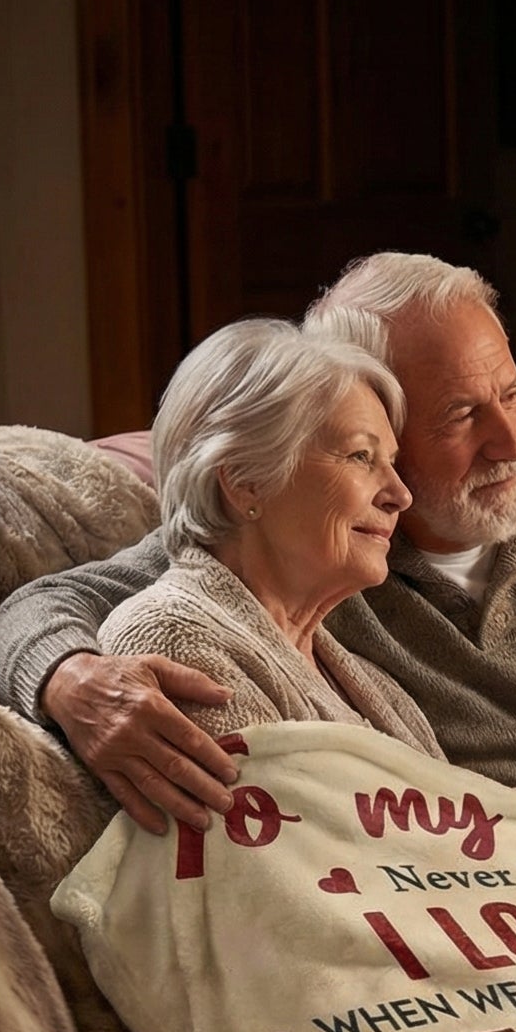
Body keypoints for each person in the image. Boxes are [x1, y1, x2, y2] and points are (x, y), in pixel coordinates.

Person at [0, 255, 516, 832]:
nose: (512, 442)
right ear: (371, 421)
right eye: (458, 415)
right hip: (505, 911)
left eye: (511, 395)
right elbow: (54, 602)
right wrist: (73, 680)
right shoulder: (316, 551)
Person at [96, 313, 445, 754]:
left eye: (391, 462)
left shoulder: (373, 687)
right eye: (360, 456)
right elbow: (292, 821)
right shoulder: (171, 638)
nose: (400, 495)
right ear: (245, 481)